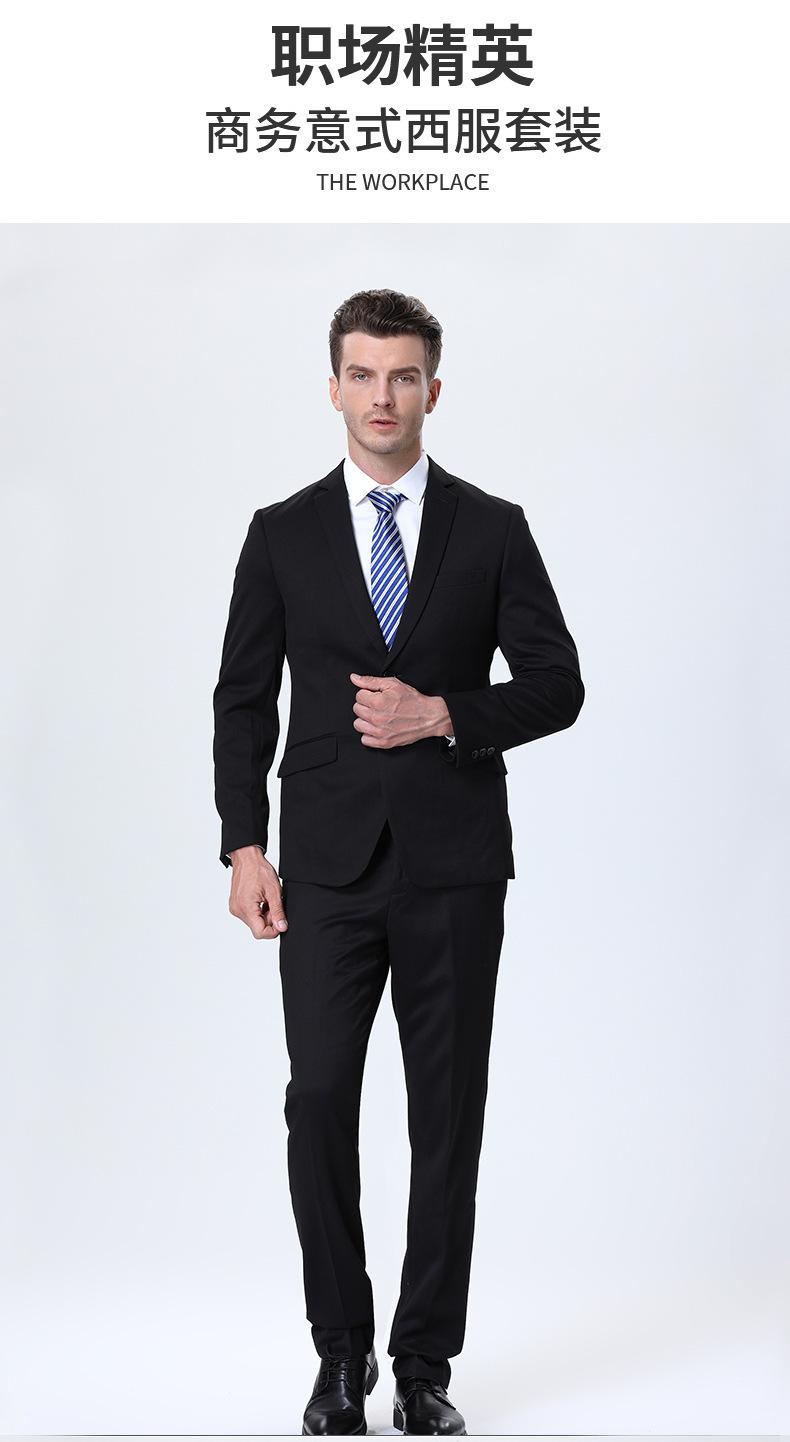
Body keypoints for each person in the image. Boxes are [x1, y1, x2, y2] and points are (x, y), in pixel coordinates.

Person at [212, 287, 584, 1435]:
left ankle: (423, 1365)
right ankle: (340, 1354)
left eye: (404, 375)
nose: (383, 395)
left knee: (445, 1116)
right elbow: (242, 700)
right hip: (323, 867)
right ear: (334, 387)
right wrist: (243, 844)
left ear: (433, 388)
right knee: (319, 1097)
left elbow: (558, 683)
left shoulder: (492, 527)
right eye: (364, 374)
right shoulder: (281, 532)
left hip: (454, 864)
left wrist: (446, 714)